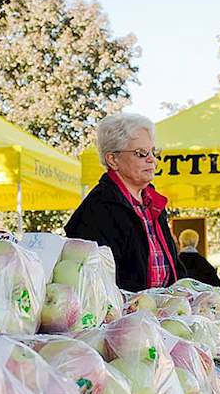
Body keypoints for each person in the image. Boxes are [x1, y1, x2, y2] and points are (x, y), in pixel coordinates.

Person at [66, 112, 184, 293]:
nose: (152, 159)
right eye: (141, 153)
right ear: (113, 160)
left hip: (159, 312)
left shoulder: (153, 203)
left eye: (153, 151)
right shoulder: (99, 208)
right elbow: (97, 285)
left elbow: (173, 266)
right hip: (125, 317)